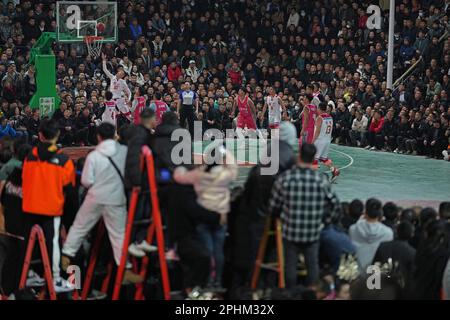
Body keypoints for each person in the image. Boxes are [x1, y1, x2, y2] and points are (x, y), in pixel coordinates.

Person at [61, 123, 142, 284]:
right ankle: (124, 269)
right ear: (114, 135)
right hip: (116, 198)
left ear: (98, 137)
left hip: (96, 196)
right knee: (119, 235)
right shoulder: (124, 152)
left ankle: (66, 255)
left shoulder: (94, 156)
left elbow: (86, 181)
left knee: (79, 226)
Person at [268, 143, 341, 287]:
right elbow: (335, 205)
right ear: (313, 158)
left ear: (299, 156)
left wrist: (282, 217)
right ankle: (312, 292)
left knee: (290, 264)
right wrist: (324, 221)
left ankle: (290, 293)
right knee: (312, 265)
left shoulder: (286, 178)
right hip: (312, 231)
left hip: (290, 231)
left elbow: (273, 206)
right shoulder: (321, 180)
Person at [21, 119, 75, 292]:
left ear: (40, 135)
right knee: (53, 244)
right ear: (58, 134)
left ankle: (28, 274)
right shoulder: (63, 160)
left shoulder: (29, 157)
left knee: (28, 243)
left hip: (29, 207)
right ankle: (56, 279)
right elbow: (71, 191)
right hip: (51, 209)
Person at [174, 147, 237, 288]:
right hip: (221, 217)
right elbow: (233, 166)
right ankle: (217, 281)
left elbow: (179, 177)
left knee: (207, 251)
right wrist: (225, 152)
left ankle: (207, 280)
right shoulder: (225, 174)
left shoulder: (199, 175)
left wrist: (180, 168)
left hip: (204, 217)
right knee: (218, 251)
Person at [349, 198, 394, 271]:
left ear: (365, 212)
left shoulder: (353, 229)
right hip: (377, 276)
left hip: (357, 274)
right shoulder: (388, 232)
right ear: (380, 213)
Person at [372, 221, 416, 295]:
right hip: (400, 290)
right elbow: (411, 278)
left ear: (396, 231)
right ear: (411, 234)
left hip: (381, 288)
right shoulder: (412, 252)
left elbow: (374, 268)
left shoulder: (383, 246)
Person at [312, 102, 340, 182]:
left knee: (314, 159)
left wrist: (312, 142)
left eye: (317, 108)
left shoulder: (320, 118)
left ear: (319, 108)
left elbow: (317, 132)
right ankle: (334, 170)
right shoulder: (330, 117)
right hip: (327, 140)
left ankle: (314, 177)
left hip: (320, 141)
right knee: (324, 159)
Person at [101, 53, 132, 122]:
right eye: (119, 72)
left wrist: (129, 99)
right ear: (118, 72)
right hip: (111, 100)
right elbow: (104, 69)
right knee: (113, 117)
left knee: (128, 116)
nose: (120, 73)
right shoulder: (112, 77)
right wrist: (104, 60)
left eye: (122, 73)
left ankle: (134, 126)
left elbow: (129, 92)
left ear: (122, 75)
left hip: (120, 100)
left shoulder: (123, 82)